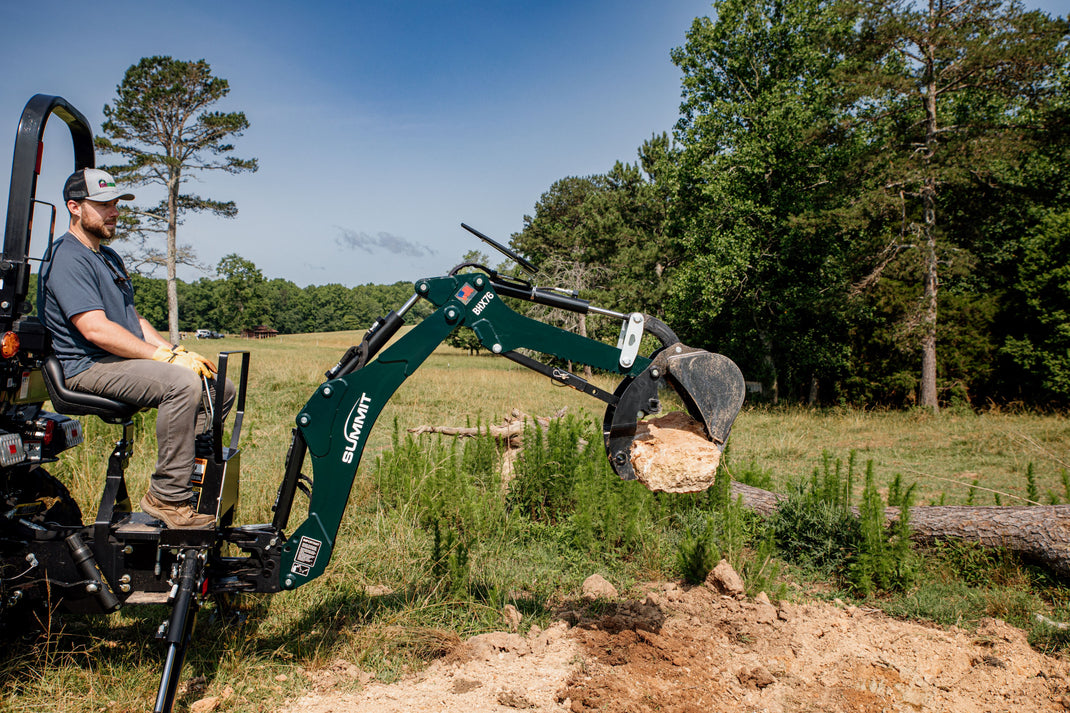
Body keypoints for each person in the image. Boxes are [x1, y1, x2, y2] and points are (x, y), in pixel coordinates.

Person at [39, 168, 235, 529]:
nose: (114, 212)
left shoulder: (108, 257)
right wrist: (164, 360)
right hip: (88, 365)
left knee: (217, 387)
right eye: (103, 205)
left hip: (116, 359)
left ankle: (192, 481)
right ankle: (167, 497)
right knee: (182, 385)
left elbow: (134, 321)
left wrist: (176, 351)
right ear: (75, 208)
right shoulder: (67, 258)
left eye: (115, 204)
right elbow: (95, 329)